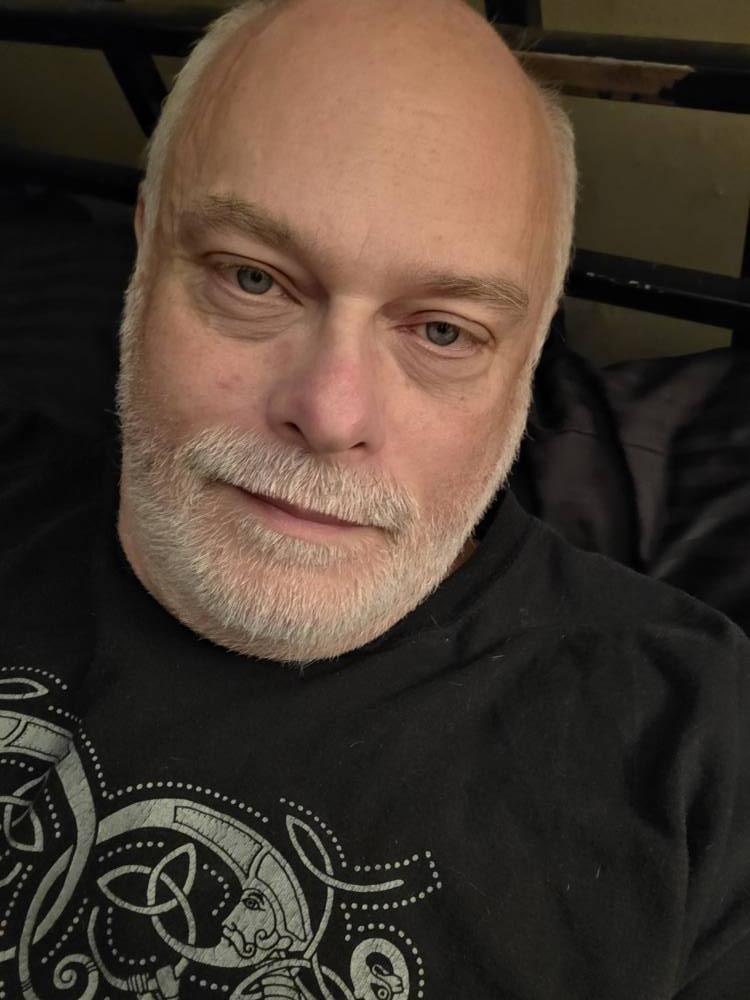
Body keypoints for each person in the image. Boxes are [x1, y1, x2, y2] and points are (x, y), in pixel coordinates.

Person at [1, 0, 749, 997]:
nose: (330, 411)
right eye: (254, 279)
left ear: (528, 358)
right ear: (145, 257)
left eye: (443, 330)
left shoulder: (699, 746)